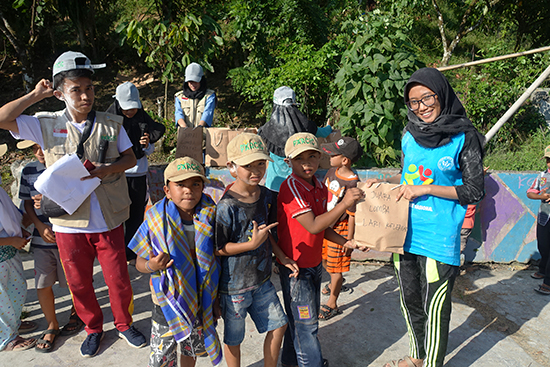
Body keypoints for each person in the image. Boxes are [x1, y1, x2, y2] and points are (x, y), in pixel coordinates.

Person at [0, 51, 146, 358]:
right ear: (59, 94)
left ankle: (123, 324)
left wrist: (110, 169)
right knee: (78, 284)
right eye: (75, 89)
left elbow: (131, 158)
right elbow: (2, 118)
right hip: (68, 223)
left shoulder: (111, 123)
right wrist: (34, 94)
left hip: (108, 219)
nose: (85, 95)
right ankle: (93, 328)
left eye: (89, 88)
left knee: (118, 280)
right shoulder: (44, 124)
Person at [366, 67, 485, 367]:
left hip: (440, 236)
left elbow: (473, 190)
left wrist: (426, 190)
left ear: (441, 94)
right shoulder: (409, 134)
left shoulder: (464, 137)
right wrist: (380, 184)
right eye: (413, 102)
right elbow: (408, 178)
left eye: (427, 98)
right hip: (403, 232)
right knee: (410, 302)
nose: (421, 106)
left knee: (435, 308)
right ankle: (416, 356)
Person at [276, 132, 365, 367]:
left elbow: (323, 225)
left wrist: (345, 241)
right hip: (297, 270)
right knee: (307, 325)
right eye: (300, 159)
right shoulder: (292, 188)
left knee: (299, 322)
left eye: (312, 157)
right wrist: (345, 203)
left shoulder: (318, 185)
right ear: (288, 162)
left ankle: (291, 362)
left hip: (313, 265)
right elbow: (314, 225)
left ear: (320, 158)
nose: (307, 164)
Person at [128, 156, 222, 367]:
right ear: (167, 190)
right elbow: (140, 263)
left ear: (203, 187)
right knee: (163, 352)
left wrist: (215, 300)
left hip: (199, 296)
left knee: (190, 348)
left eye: (195, 184)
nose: (188, 190)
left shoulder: (210, 215)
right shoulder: (154, 219)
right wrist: (153, 265)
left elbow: (216, 260)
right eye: (180, 184)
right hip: (166, 299)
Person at [215, 133, 299, 367]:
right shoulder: (226, 206)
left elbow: (267, 232)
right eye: (247, 165)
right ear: (231, 167)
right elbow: (219, 248)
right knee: (234, 339)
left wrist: (281, 256)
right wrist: (251, 245)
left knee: (279, 325)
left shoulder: (265, 196)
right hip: (234, 288)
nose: (256, 170)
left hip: (262, 280)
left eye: (260, 163)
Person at [17, 140, 83, 352]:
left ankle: (77, 313)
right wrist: (38, 225)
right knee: (42, 284)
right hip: (41, 239)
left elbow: (80, 197)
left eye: (42, 147)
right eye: (34, 148)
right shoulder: (28, 170)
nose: (39, 153)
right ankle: (52, 324)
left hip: (68, 234)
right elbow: (26, 202)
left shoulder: (67, 166)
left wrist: (50, 201)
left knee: (74, 281)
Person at [106, 81, 165, 263]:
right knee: (115, 215)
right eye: (126, 108)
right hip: (117, 174)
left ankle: (132, 253)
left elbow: (152, 139)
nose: (130, 112)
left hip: (138, 172)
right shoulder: (108, 119)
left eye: (133, 108)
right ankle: (113, 253)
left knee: (136, 213)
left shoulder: (142, 116)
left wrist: (147, 145)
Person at [318, 136, 364, 320]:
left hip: (341, 229)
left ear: (345, 160)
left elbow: (352, 215)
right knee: (326, 261)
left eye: (333, 154)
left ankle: (332, 303)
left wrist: (349, 240)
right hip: (326, 223)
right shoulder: (332, 171)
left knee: (336, 269)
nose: (329, 156)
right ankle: (335, 282)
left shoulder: (353, 183)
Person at [258, 86, 333, 192]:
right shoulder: (306, 126)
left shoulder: (266, 130)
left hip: (274, 185)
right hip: (299, 186)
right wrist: (329, 127)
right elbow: (324, 133)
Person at [0, 143, 37, 352]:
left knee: (16, 289)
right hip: (5, 247)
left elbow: (9, 213)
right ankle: (6, 338)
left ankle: (13, 323)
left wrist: (19, 228)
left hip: (8, 251)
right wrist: (11, 240)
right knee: (2, 298)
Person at [526, 145, 550, 295]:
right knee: (543, 245)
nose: (549, 163)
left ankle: (548, 282)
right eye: (548, 160)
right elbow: (530, 193)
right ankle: (542, 269)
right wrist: (542, 196)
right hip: (544, 218)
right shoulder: (542, 176)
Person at [174, 62, 216, 128]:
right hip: (185, 134)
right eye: (190, 82)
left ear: (201, 80)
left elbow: (207, 113)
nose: (193, 85)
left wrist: (199, 128)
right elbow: (178, 113)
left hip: (204, 134)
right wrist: (184, 127)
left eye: (196, 82)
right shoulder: (179, 97)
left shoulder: (209, 96)